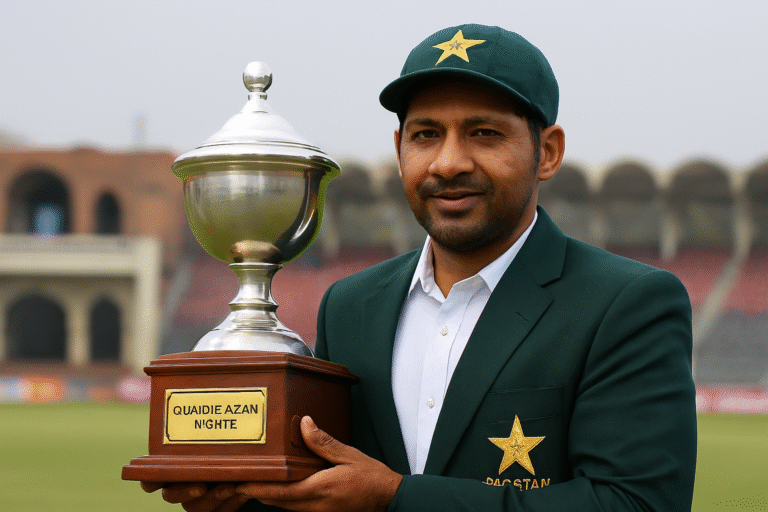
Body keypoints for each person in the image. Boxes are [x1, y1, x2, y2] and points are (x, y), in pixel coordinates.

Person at [143, 24, 697, 512]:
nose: (449, 162)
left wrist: (395, 499)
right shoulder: (352, 305)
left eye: (484, 133)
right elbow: (329, 492)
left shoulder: (626, 302)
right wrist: (239, 501)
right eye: (426, 134)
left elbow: (635, 503)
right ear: (399, 147)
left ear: (547, 152)